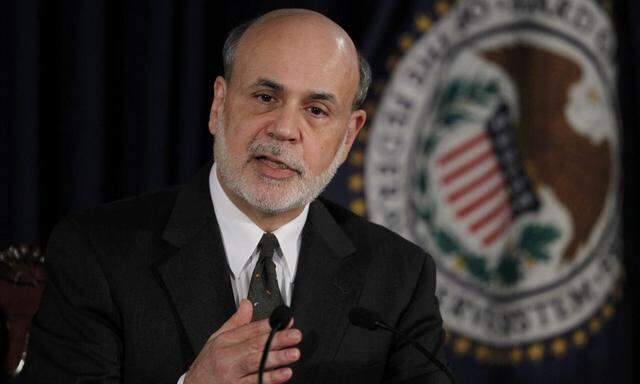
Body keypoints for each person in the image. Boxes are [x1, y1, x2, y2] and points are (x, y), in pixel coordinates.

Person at [22, 8, 449, 384]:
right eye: (266, 97)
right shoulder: (96, 252)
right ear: (218, 105)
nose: (284, 129)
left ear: (348, 135)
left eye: (316, 110)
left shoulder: (399, 278)